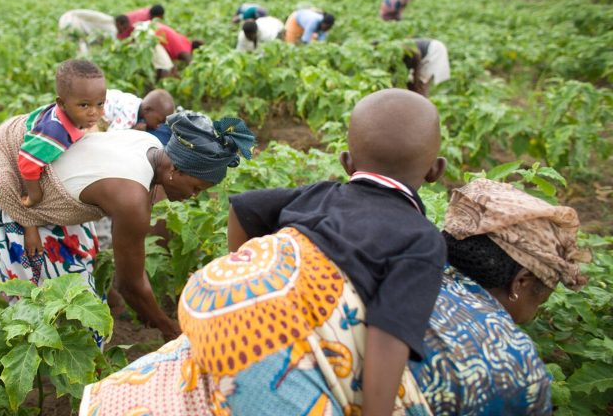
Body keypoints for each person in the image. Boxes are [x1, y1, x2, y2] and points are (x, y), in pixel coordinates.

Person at [81, 88, 447, 416]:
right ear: (435, 171)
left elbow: (242, 208)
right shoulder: (422, 239)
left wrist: (245, 272)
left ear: (347, 163)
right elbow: (388, 338)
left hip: (208, 300)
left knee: (199, 378)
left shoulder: (319, 194)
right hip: (262, 346)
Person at [0, 110, 255, 342]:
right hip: (20, 203)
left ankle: (111, 311)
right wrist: (171, 329)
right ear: (176, 170)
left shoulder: (148, 144)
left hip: (52, 198)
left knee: (82, 287)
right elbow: (130, 283)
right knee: (58, 318)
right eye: (196, 188)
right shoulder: (131, 198)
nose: (194, 196)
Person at [409, 178, 590, 415]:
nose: (536, 311)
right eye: (543, 296)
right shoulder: (514, 365)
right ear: (521, 282)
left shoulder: (397, 266)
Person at [18, 60, 106, 209]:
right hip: (28, 144)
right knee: (26, 210)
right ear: (61, 104)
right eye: (84, 105)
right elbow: (27, 164)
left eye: (100, 103)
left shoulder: (78, 116)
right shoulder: (53, 134)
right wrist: (34, 196)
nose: (94, 112)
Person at [103, 88, 175, 134]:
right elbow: (111, 135)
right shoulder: (130, 115)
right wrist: (133, 131)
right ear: (147, 109)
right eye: (159, 121)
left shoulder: (134, 100)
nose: (158, 126)